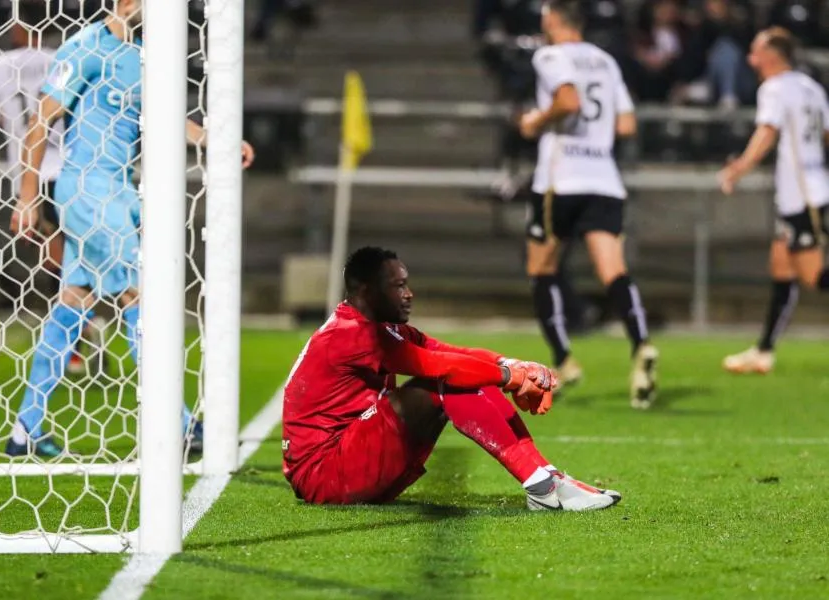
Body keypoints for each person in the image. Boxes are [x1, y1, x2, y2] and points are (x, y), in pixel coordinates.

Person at [6, 0, 256, 457]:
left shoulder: (144, 55)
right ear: (126, 2)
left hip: (118, 191)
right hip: (88, 190)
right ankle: (179, 424)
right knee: (141, 298)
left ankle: (26, 428)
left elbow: (169, 120)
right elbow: (40, 121)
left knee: (73, 306)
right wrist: (27, 198)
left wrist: (219, 142)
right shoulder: (85, 47)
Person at [282, 246, 621, 511]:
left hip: (344, 461)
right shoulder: (352, 335)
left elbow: (449, 351)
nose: (409, 294)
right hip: (324, 474)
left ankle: (546, 479)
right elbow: (439, 366)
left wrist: (516, 365)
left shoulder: (375, 327)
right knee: (444, 381)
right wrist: (511, 378)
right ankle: (542, 485)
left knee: (460, 373)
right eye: (397, 286)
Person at [518, 0, 658, 408]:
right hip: (604, 180)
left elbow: (568, 101)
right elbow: (626, 124)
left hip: (559, 179)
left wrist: (534, 122)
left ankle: (563, 360)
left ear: (554, 22)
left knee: (541, 267)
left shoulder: (550, 55)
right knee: (613, 269)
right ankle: (641, 344)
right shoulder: (606, 61)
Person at [0, 14, 108, 379]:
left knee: (54, 258)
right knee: (67, 254)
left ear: (16, 28)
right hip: (71, 171)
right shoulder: (63, 59)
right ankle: (82, 330)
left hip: (31, 174)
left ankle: (81, 326)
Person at [719, 27, 829, 374]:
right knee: (780, 266)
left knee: (814, 277)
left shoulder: (775, 88)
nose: (750, 56)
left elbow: (767, 131)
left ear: (770, 56)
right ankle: (764, 351)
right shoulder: (810, 86)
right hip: (810, 189)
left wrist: (739, 167)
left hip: (803, 197)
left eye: (755, 50)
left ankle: (764, 350)